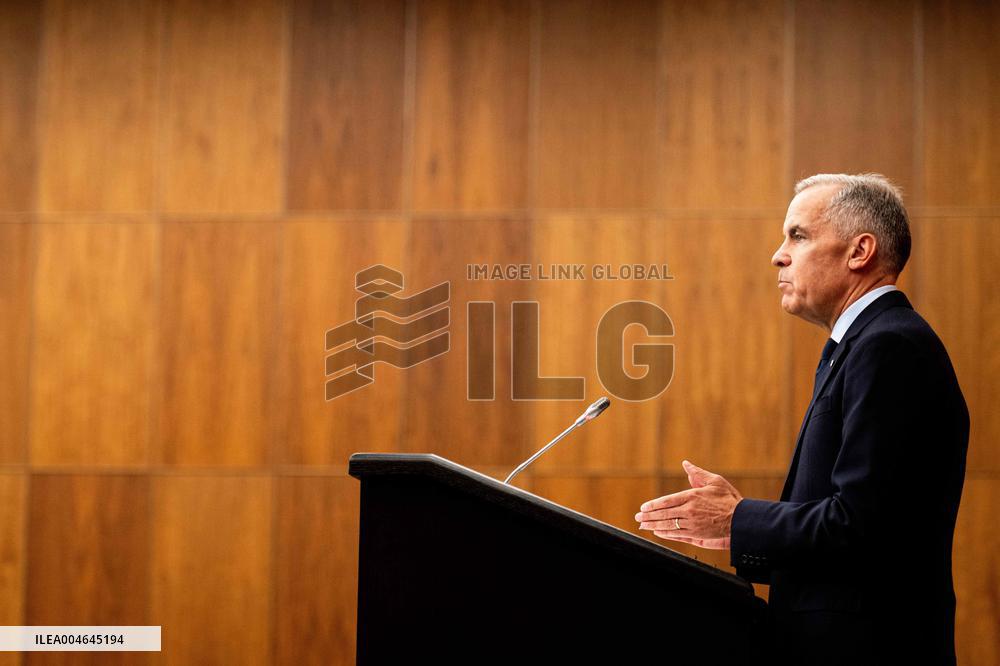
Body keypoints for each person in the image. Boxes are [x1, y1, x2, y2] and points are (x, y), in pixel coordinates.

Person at [634, 174, 969, 664]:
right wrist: (741, 531)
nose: (779, 255)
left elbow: (860, 526)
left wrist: (740, 518)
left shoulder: (888, 347)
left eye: (799, 235)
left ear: (860, 251)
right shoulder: (862, 346)